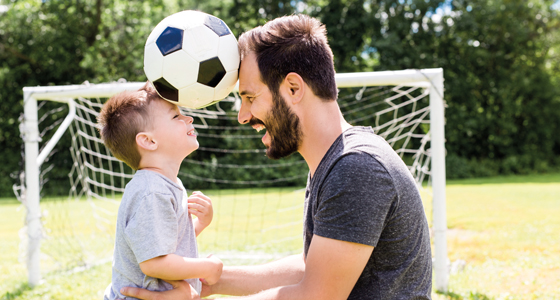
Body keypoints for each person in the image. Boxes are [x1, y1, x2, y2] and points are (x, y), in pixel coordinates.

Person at [121, 14, 432, 300]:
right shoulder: (336, 160)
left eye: (250, 98)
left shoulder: (357, 166)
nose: (243, 117)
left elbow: (316, 294)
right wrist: (203, 284)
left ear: (293, 88)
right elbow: (312, 266)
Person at [98, 82, 223, 300]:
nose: (188, 118)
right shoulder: (152, 192)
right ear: (148, 141)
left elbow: (161, 242)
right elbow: (153, 263)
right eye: (176, 117)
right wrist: (207, 267)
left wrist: (198, 225)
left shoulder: (164, 184)